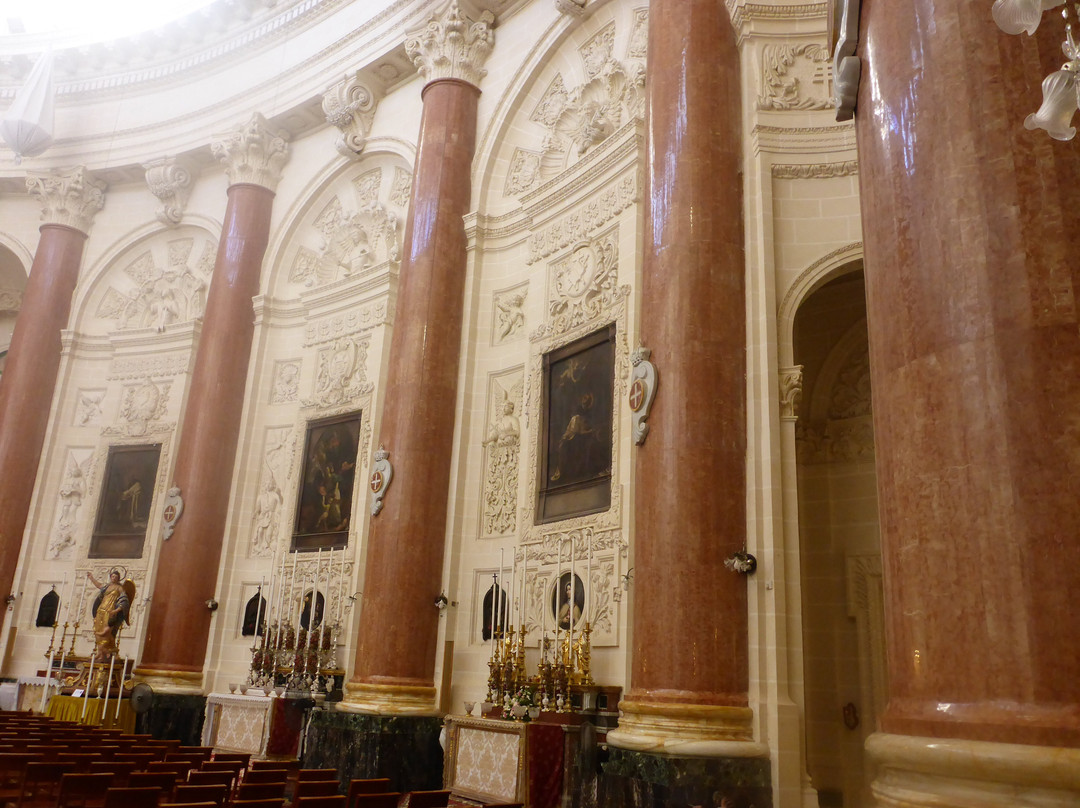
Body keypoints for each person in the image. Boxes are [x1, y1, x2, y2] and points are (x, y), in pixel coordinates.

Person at [87, 570, 132, 661]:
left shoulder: (120, 588)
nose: (114, 578)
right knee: (97, 630)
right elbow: (99, 585)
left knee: (106, 632)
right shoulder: (107, 586)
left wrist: (116, 610)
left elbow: (124, 601)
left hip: (110, 611)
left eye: (116, 577)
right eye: (112, 576)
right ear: (110, 577)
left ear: (118, 578)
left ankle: (108, 651)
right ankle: (100, 652)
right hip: (101, 610)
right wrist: (91, 578)